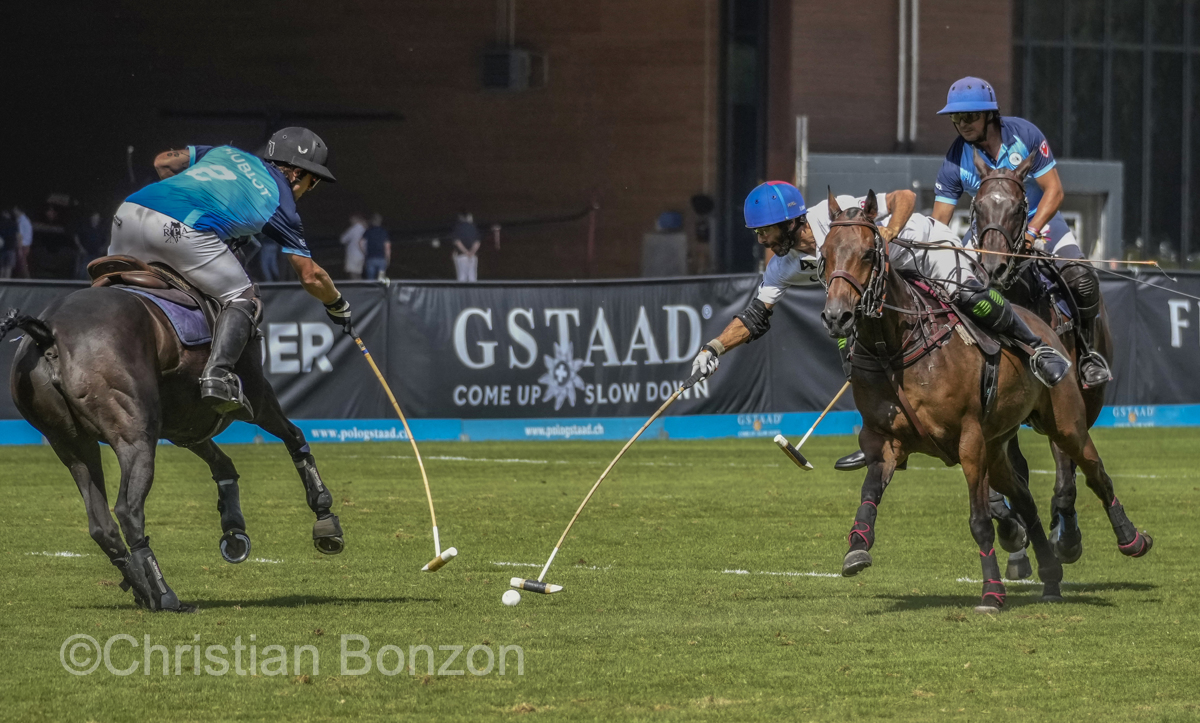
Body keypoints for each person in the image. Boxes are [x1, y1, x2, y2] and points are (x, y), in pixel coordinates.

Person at [690, 181, 1072, 470]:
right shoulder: (782, 266)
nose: (761, 240)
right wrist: (714, 349)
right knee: (853, 353)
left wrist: (887, 233)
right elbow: (755, 316)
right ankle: (881, 436)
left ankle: (1036, 348)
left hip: (924, 249)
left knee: (967, 297)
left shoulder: (834, 213)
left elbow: (904, 196)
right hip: (882, 285)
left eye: (765, 231)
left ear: (791, 222)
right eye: (757, 233)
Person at [108, 127, 353, 420]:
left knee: (113, 293)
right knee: (242, 296)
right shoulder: (282, 206)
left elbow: (163, 162)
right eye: (312, 183)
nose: (308, 191)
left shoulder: (225, 152)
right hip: (179, 229)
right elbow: (311, 276)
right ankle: (217, 375)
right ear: (297, 174)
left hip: (128, 213)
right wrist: (336, 303)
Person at [931, 76, 1111, 388]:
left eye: (970, 116)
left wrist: (1030, 233)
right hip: (987, 232)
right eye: (957, 118)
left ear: (990, 115)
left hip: (1037, 221)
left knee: (1081, 280)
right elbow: (939, 225)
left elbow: (1053, 191)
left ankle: (1088, 355)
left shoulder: (1024, 135)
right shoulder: (954, 159)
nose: (962, 124)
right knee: (950, 287)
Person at [74, 211, 108, 280]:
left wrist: (104, 248)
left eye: (97, 218)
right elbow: (76, 237)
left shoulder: (102, 228)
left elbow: (107, 239)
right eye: (94, 218)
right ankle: (81, 280)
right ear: (91, 218)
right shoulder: (85, 227)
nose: (95, 219)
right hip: (86, 252)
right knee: (84, 268)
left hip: (98, 252)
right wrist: (81, 248)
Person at [451, 211, 480, 282]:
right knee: (472, 278)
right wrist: (471, 252)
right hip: (473, 256)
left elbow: (458, 242)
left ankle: (461, 293)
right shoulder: (474, 228)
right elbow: (477, 242)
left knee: (462, 278)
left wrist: (466, 252)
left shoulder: (457, 228)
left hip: (461, 256)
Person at [361, 213, 390, 281]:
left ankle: (371, 291)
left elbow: (361, 242)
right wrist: (388, 258)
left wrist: (365, 252)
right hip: (381, 258)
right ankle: (380, 291)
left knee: (370, 279)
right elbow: (387, 246)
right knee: (381, 278)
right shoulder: (383, 232)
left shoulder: (368, 231)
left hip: (370, 257)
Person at [340, 213, 367, 280]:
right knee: (359, 273)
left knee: (353, 273)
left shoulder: (353, 229)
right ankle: (360, 287)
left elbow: (343, 239)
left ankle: (355, 288)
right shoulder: (365, 229)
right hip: (362, 254)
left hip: (353, 254)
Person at [13, 205, 33, 278]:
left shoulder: (21, 221)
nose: (14, 211)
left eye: (15, 210)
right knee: (20, 264)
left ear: (18, 210)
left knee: (22, 263)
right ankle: (21, 279)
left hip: (22, 245)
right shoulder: (26, 220)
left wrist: (19, 247)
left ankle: (27, 279)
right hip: (26, 245)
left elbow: (19, 235)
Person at [0, 209, 15, 278]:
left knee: (2, 266)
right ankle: (7, 282)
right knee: (8, 267)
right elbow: (18, 235)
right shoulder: (13, 223)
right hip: (11, 247)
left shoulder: (1, 223)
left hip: (2, 248)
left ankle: (1, 282)